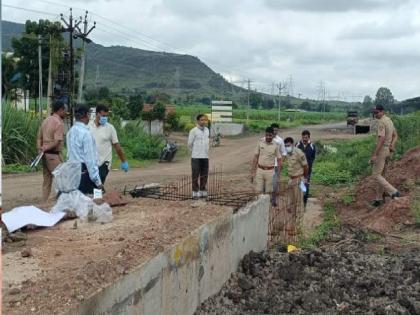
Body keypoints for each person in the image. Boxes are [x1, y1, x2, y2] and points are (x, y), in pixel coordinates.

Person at [67, 106, 103, 194]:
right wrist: (98, 182)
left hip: (72, 172)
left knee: (75, 202)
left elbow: (69, 154)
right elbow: (90, 160)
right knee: (93, 201)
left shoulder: (70, 132)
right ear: (86, 115)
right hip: (84, 173)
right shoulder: (86, 134)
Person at [89, 104, 128, 184]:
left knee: (97, 186)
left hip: (104, 164)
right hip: (90, 164)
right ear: (97, 114)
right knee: (90, 188)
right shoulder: (88, 127)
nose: (105, 118)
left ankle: (99, 194)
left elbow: (117, 147)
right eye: (103, 115)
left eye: (106, 116)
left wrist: (124, 161)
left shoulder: (110, 128)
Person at [36, 101, 67, 202]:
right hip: (53, 155)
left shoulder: (46, 121)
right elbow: (56, 142)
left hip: (44, 155)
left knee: (47, 180)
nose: (66, 112)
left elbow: (38, 138)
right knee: (62, 178)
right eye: (65, 110)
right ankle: (59, 201)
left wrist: (40, 149)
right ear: (60, 110)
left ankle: (44, 202)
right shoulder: (58, 123)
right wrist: (46, 148)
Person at [370, 105, 399, 206]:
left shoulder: (382, 122)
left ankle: (393, 191)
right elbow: (395, 135)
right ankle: (379, 199)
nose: (375, 114)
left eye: (377, 112)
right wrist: (392, 145)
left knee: (376, 174)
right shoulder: (389, 120)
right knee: (382, 175)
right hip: (388, 151)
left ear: (382, 111)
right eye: (374, 112)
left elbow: (381, 139)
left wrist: (375, 154)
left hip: (382, 151)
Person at [284, 137, 308, 237]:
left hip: (298, 180)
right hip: (290, 180)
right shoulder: (287, 154)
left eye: (288, 145)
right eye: (285, 146)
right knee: (291, 204)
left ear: (293, 144)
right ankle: (292, 225)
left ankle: (299, 227)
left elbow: (306, 166)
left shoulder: (299, 153)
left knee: (299, 205)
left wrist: (304, 178)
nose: (287, 147)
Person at [252, 127, 282, 204]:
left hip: (270, 171)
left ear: (273, 135)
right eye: (267, 135)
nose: (268, 137)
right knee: (258, 192)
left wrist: (278, 174)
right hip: (260, 170)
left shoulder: (276, 145)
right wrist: (253, 171)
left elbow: (279, 160)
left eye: (270, 135)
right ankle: (258, 209)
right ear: (265, 134)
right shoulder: (260, 142)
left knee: (268, 192)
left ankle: (266, 210)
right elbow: (255, 157)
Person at [188, 114, 210, 198]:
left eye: (205, 120)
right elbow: (189, 144)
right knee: (195, 174)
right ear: (198, 121)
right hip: (196, 156)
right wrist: (195, 151)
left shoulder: (207, 130)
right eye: (201, 120)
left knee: (204, 174)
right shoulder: (193, 131)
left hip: (205, 156)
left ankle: (202, 189)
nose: (203, 121)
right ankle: (195, 191)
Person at [296, 130, 316, 207]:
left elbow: (313, 157)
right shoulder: (297, 145)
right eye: (303, 137)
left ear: (309, 137)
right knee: (297, 186)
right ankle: (298, 202)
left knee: (305, 187)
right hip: (298, 170)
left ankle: (304, 203)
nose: (304, 139)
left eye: (306, 137)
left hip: (307, 171)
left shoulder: (312, 146)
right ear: (302, 137)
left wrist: (309, 165)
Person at [271, 123, 287, 206]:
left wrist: (282, 162)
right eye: (273, 130)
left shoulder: (280, 140)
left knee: (275, 184)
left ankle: (274, 200)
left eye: (276, 130)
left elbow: (284, 152)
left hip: (276, 165)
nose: (275, 131)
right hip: (266, 165)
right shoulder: (264, 139)